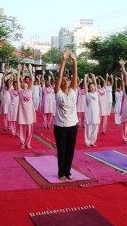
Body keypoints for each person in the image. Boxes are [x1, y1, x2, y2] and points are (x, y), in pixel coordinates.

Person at [53, 49, 78, 180]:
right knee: (61, 150)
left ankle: (68, 172)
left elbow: (75, 74)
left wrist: (74, 60)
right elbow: (59, 77)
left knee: (70, 150)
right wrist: (63, 61)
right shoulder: (58, 93)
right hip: (60, 126)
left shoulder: (73, 91)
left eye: (67, 80)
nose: (66, 81)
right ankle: (61, 172)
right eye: (64, 80)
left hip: (72, 125)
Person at [17, 64, 36, 149]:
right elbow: (17, 80)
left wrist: (30, 70)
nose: (25, 84)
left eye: (26, 83)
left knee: (29, 129)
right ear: (21, 85)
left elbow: (32, 79)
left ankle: (28, 143)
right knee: (21, 129)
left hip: (29, 113)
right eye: (23, 83)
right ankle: (22, 143)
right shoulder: (20, 91)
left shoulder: (30, 90)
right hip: (22, 113)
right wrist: (19, 70)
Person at [84, 73, 100, 147]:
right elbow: (85, 86)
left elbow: (96, 84)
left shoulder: (96, 93)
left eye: (93, 86)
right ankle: (87, 142)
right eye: (91, 87)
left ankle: (92, 142)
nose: (93, 87)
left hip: (96, 114)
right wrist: (85, 77)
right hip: (89, 114)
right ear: (89, 88)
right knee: (88, 129)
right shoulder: (87, 94)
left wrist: (93, 77)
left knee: (95, 129)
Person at [0, 66, 12, 131]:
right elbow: (2, 78)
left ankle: (9, 126)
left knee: (9, 114)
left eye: (10, 82)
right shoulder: (4, 86)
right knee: (5, 114)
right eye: (8, 82)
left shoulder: (11, 88)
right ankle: (5, 126)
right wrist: (5, 72)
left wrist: (12, 74)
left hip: (10, 101)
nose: (9, 83)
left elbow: (11, 80)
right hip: (4, 101)